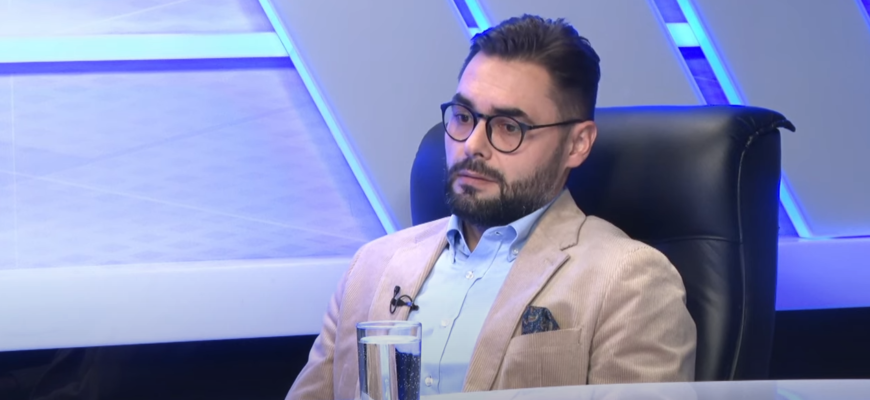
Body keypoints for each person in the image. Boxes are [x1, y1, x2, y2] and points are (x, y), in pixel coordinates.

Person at [287, 14, 696, 399]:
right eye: (464, 116)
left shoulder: (629, 280)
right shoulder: (371, 266)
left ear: (577, 144)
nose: (472, 145)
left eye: (508, 127)